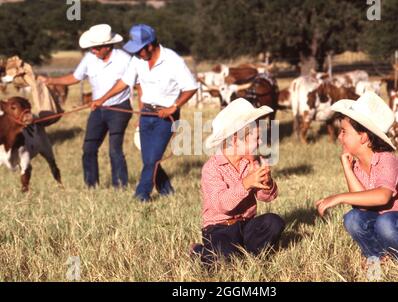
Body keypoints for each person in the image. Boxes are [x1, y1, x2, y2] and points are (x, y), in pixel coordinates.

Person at [315, 92, 398, 263]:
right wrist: (347, 168)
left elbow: (382, 196)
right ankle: (374, 259)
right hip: (383, 222)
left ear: (363, 137)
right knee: (352, 218)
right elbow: (360, 206)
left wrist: (339, 197)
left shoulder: (387, 159)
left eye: (343, 131)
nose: (339, 137)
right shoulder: (356, 165)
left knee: (386, 222)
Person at [91, 24, 198, 201]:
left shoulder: (173, 60)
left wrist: (174, 106)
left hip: (166, 116)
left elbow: (191, 87)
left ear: (150, 46)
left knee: (152, 158)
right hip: (146, 114)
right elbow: (124, 82)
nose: (136, 53)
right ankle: (167, 191)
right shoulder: (137, 60)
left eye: (139, 50)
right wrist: (102, 99)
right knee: (149, 158)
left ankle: (141, 194)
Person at [191, 98, 285, 264]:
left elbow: (267, 197)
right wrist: (246, 184)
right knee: (224, 258)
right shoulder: (212, 168)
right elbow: (222, 205)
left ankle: (245, 254)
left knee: (274, 222)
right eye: (256, 139)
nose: (261, 142)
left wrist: (267, 183)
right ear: (236, 140)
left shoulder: (251, 162)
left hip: (246, 224)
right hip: (219, 228)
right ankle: (198, 251)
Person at [39, 24, 133, 188]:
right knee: (89, 147)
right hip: (98, 109)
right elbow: (75, 77)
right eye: (91, 48)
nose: (93, 51)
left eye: (95, 47)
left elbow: (126, 84)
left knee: (114, 149)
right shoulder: (89, 58)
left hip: (119, 108)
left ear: (106, 46)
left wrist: (103, 99)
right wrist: (50, 81)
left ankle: (120, 186)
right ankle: (91, 185)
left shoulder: (124, 59)